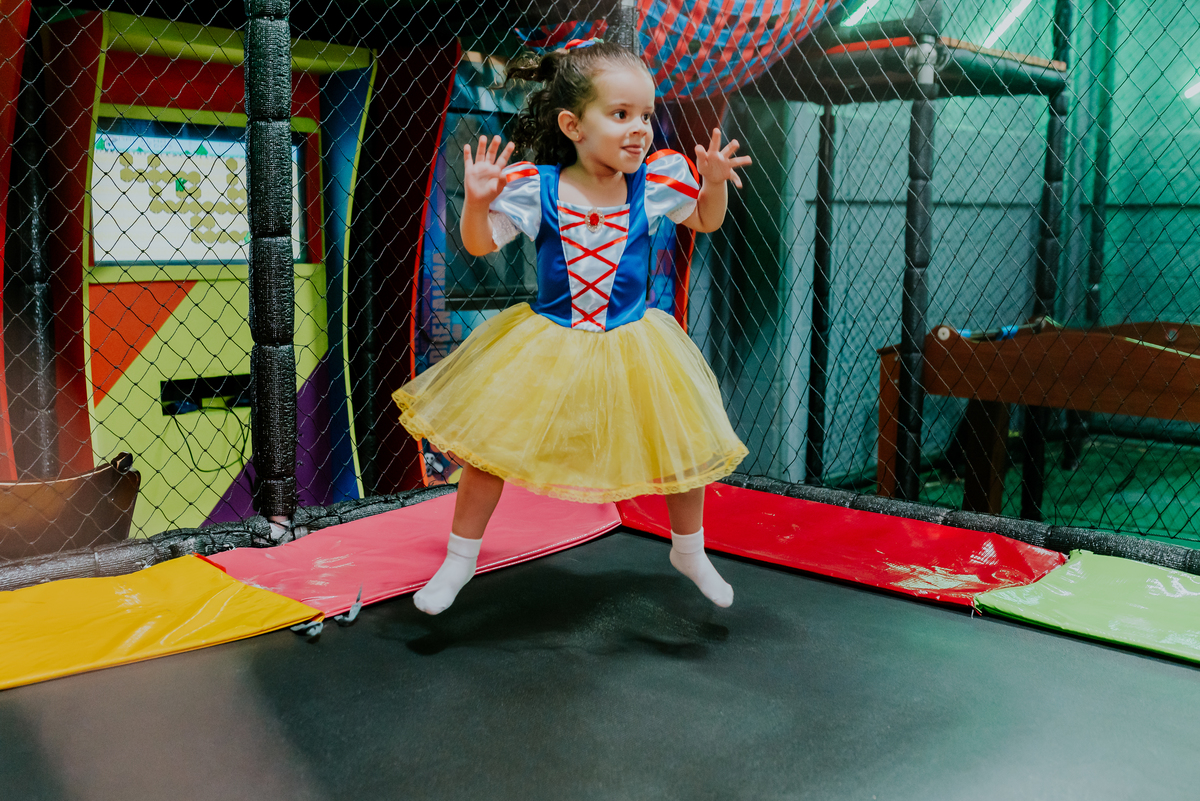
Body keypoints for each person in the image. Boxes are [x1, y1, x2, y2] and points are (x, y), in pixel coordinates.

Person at [392, 39, 751, 615]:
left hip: (633, 341)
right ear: (572, 125)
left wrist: (710, 185)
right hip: (548, 338)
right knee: (488, 454)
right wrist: (477, 204)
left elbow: (705, 222)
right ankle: (459, 560)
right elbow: (480, 246)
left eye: (647, 115)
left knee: (682, 444)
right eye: (621, 115)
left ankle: (690, 550)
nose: (640, 129)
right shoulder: (538, 188)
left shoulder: (657, 182)